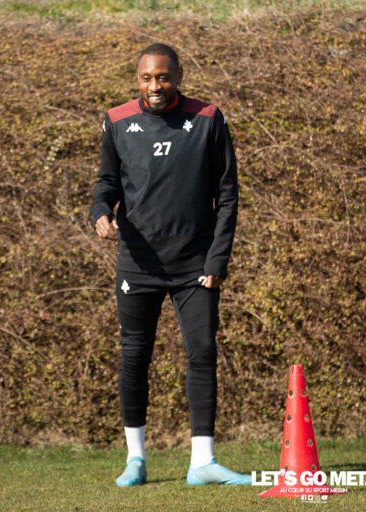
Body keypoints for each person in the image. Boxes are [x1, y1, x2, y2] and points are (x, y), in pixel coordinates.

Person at [90, 43, 250, 487]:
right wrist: (100, 213)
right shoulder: (117, 119)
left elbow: (228, 195)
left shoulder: (208, 118)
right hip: (137, 263)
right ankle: (135, 461)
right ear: (137, 78)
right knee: (134, 356)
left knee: (201, 353)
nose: (155, 86)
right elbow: (106, 182)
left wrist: (218, 258)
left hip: (196, 263)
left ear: (178, 76)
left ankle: (202, 462)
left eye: (163, 77)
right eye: (146, 78)